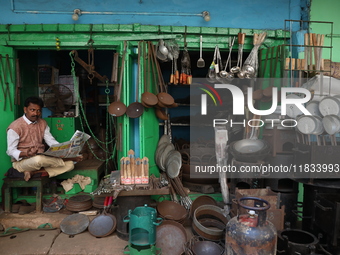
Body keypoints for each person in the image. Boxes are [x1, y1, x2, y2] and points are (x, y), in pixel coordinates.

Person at [6, 96, 83, 181]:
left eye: (38, 110)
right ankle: (67, 159)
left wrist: (64, 150)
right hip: (22, 162)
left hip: (42, 159)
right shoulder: (15, 126)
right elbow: (10, 150)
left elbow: (51, 141)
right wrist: (26, 153)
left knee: (70, 165)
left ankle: (33, 172)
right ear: (25, 109)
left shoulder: (42, 123)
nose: (36, 113)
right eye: (32, 110)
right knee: (39, 160)